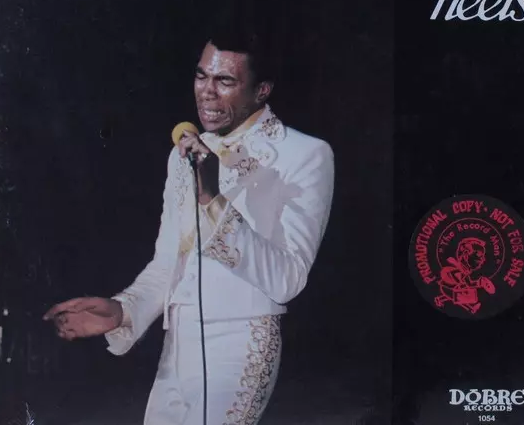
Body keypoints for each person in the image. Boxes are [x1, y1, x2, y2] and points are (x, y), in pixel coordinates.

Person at [43, 30, 335, 424]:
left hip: (240, 342)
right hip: (176, 344)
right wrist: (123, 310)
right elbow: (168, 263)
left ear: (262, 90)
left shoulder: (304, 154)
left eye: (225, 80)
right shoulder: (183, 153)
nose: (207, 92)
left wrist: (213, 199)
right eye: (201, 76)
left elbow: (288, 279)